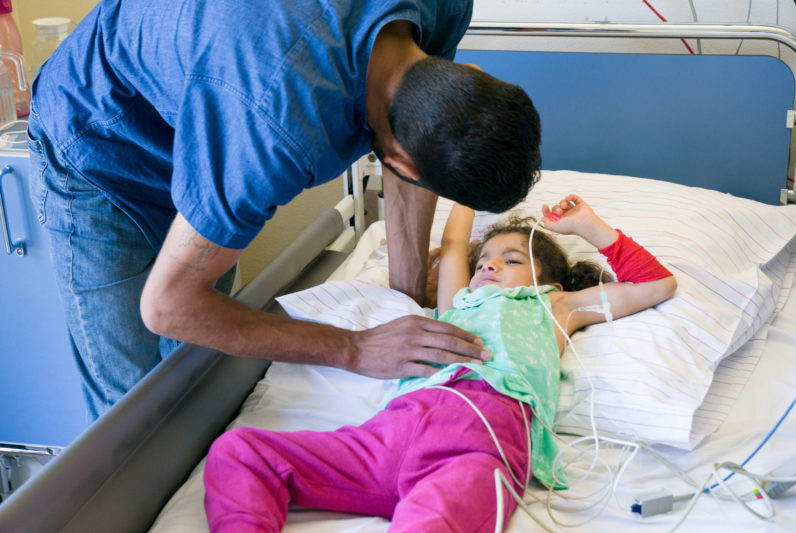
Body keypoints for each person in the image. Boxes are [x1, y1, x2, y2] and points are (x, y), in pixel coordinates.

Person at [26, 0, 543, 420]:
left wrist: (406, 306)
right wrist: (356, 348)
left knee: (192, 375)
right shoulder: (273, 130)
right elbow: (169, 307)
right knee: (134, 411)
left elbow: (412, 133)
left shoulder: (441, 9)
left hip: (206, 103)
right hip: (100, 139)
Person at [202, 195, 678, 532]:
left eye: (511, 259)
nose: (489, 265)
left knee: (433, 520)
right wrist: (468, 185)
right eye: (485, 259)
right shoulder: (459, 301)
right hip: (390, 434)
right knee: (239, 451)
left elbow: (655, 286)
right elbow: (454, 244)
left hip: (476, 448)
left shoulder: (555, 308)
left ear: (548, 280)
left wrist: (589, 228)